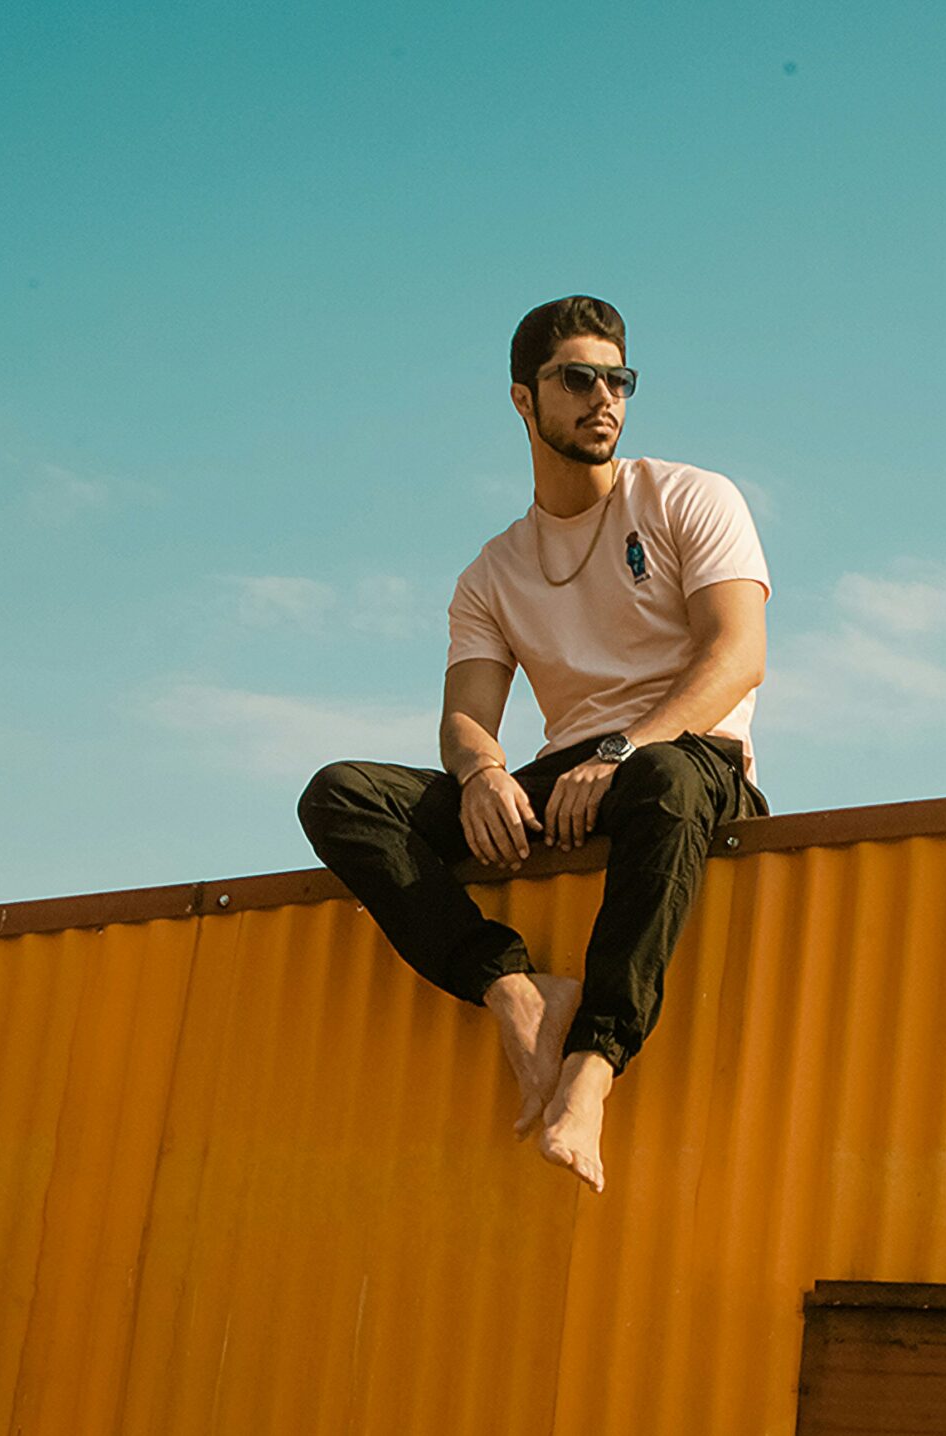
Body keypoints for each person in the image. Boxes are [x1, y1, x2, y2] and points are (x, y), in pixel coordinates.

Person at [297, 296, 770, 1194]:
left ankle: (592, 1067)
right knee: (340, 793)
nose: (604, 397)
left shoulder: (687, 497)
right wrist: (478, 773)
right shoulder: (493, 571)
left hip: (685, 758)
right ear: (524, 400)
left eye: (618, 380)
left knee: (668, 777)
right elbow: (466, 716)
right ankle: (512, 989)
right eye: (578, 378)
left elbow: (737, 656)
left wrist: (625, 749)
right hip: (569, 774)